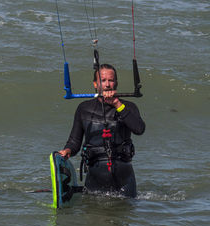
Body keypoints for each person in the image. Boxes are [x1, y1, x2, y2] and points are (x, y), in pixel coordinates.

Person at [58, 64, 145, 198]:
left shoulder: (128, 107)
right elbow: (74, 142)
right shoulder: (84, 108)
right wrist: (67, 151)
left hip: (124, 177)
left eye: (111, 80)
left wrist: (117, 104)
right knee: (94, 215)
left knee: (124, 216)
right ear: (95, 84)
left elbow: (139, 129)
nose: (107, 84)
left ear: (116, 83)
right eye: (103, 81)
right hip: (95, 177)